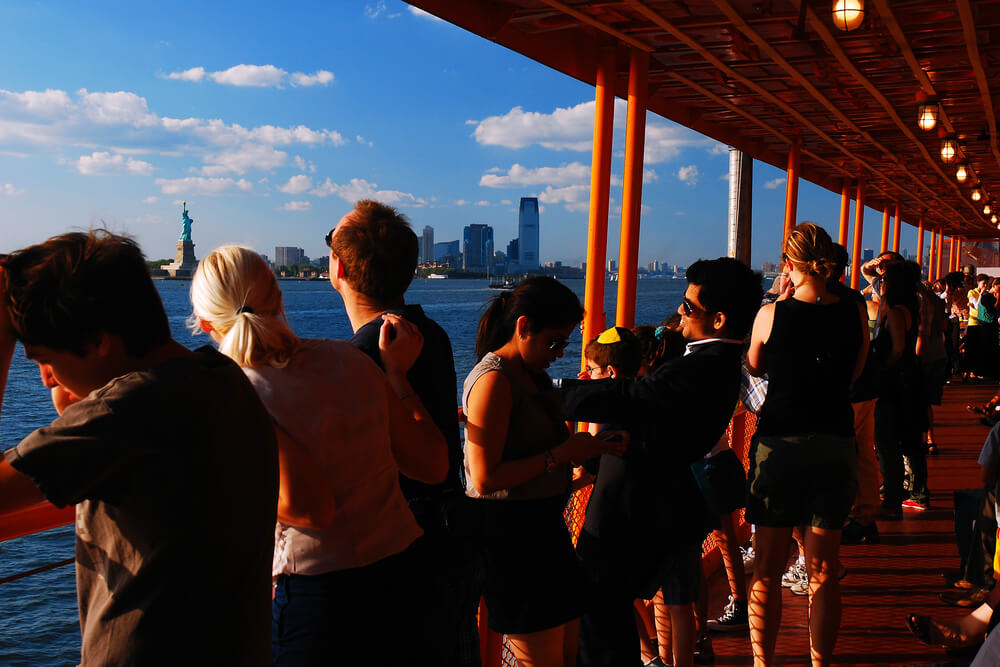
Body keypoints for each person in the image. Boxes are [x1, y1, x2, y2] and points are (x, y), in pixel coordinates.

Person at [0, 231, 278, 666]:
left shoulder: (123, 415)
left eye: (42, 359)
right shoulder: (222, 376)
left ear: (99, 340)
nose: (45, 379)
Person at [190, 245, 448, 667]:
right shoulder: (350, 359)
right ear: (278, 296)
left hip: (321, 601)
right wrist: (396, 377)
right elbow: (432, 466)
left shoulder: (235, 394)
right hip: (405, 580)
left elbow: (310, 508)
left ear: (203, 323)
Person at [557, 257, 763, 667]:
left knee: (602, 621)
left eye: (689, 307)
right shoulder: (713, 363)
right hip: (661, 511)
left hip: (636, 514)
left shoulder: (699, 367)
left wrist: (550, 391)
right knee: (624, 613)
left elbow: (631, 397)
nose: (681, 312)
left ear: (718, 320)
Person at [326, 199, 481, 664]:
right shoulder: (428, 333)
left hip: (392, 558)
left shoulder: (356, 360)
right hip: (449, 541)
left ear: (337, 268)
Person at [463, 276, 626, 667]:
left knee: (567, 655)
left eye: (565, 343)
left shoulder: (529, 377)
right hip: (515, 541)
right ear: (523, 327)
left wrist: (586, 453)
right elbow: (484, 479)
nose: (559, 352)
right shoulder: (494, 381)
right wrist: (562, 454)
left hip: (544, 532)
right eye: (554, 341)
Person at [745, 223, 868, 667]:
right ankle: (820, 663)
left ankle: (764, 663)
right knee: (824, 573)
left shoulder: (770, 314)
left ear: (788, 263)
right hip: (834, 441)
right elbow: (855, 373)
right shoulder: (854, 311)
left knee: (766, 571)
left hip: (779, 443)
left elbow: (755, 365)